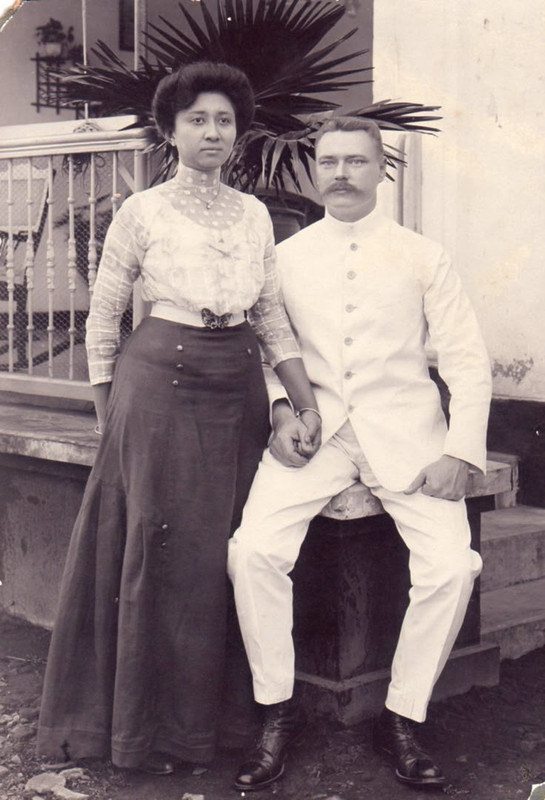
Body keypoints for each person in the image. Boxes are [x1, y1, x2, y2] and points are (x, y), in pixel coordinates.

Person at [37, 61, 321, 775]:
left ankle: (216, 728)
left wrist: (302, 400)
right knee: (157, 549)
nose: (212, 132)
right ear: (170, 130)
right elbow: (104, 318)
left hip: (237, 390)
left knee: (218, 550)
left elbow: (271, 318)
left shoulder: (254, 214)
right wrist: (109, 419)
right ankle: (142, 733)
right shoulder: (143, 211)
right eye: (197, 119)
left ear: (238, 131)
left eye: (224, 120)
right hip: (157, 383)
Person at [227, 116, 492, 790]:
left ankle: (401, 716)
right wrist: (281, 411)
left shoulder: (422, 254)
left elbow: (466, 358)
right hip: (315, 434)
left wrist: (460, 451)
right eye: (329, 162)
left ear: (380, 171)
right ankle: (277, 709)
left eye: (355, 161)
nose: (340, 174)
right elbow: (270, 349)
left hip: (407, 437)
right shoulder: (286, 257)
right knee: (251, 552)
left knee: (452, 567)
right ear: (315, 171)